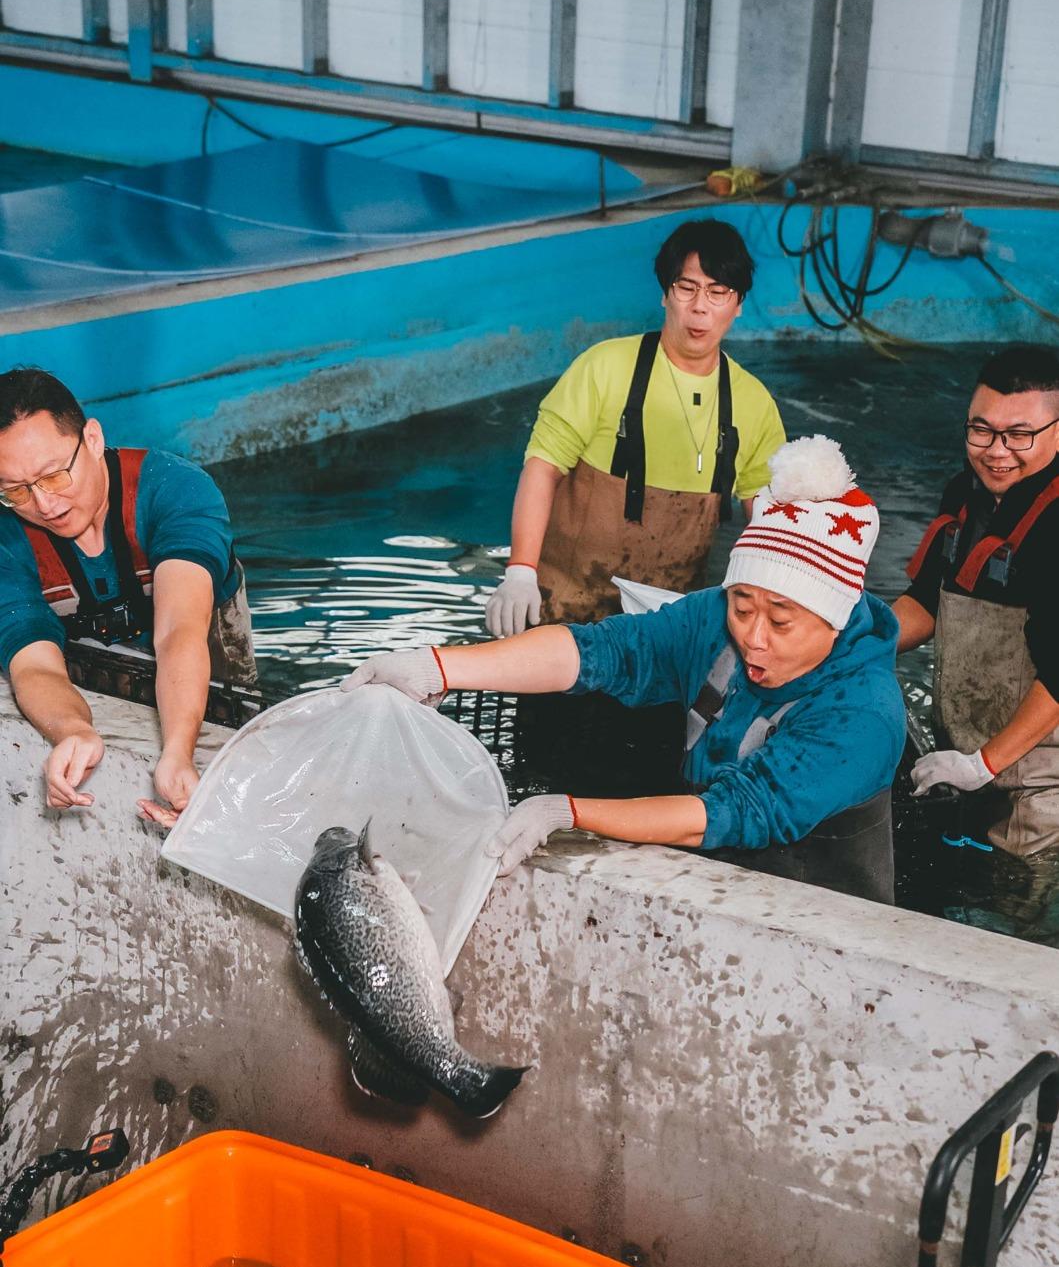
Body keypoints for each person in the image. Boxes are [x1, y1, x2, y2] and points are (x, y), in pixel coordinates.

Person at [346, 437, 906, 905]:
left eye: (780, 623)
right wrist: (437, 667)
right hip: (706, 880)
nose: (753, 636)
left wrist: (568, 812)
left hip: (818, 918)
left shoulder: (863, 713)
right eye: (742, 607)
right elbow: (605, 651)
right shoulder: (714, 619)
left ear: (834, 619)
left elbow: (737, 810)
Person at [484, 218, 785, 637]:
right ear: (666, 294)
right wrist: (520, 572)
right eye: (687, 288)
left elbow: (768, 518)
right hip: (565, 613)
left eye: (718, 292)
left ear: (738, 305)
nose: (700, 307)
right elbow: (543, 466)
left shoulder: (754, 404)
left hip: (669, 629)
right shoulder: (603, 367)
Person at [0, 365, 256, 825]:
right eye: (16, 490)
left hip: (206, 673)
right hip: (85, 680)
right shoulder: (6, 537)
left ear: (93, 440)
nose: (45, 504)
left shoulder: (176, 489)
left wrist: (179, 753)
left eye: (55, 476)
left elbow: (179, 632)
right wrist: (73, 730)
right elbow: (34, 663)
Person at [896, 345, 1059, 856]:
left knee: (1018, 916)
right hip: (965, 759)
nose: (996, 451)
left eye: (1019, 436)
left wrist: (981, 765)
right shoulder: (962, 494)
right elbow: (926, 603)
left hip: (1040, 786)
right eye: (981, 430)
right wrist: (846, 640)